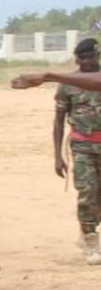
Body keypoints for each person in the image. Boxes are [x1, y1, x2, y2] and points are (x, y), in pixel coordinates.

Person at [48, 38, 101, 264]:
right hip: (82, 147)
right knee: (88, 191)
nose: (86, 61)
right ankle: (90, 239)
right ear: (76, 59)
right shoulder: (68, 84)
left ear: (97, 55)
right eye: (82, 58)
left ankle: (86, 231)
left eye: (90, 57)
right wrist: (57, 156)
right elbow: (58, 120)